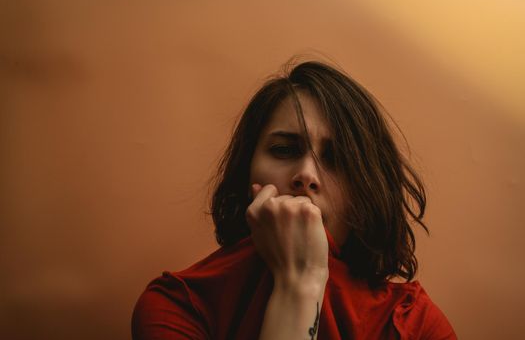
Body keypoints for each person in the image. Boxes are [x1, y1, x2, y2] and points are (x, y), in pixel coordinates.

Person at [131, 59, 457, 339]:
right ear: (248, 175)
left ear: (366, 191)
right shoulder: (178, 308)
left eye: (337, 159)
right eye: (284, 150)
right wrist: (298, 285)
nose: (306, 175)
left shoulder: (416, 327)